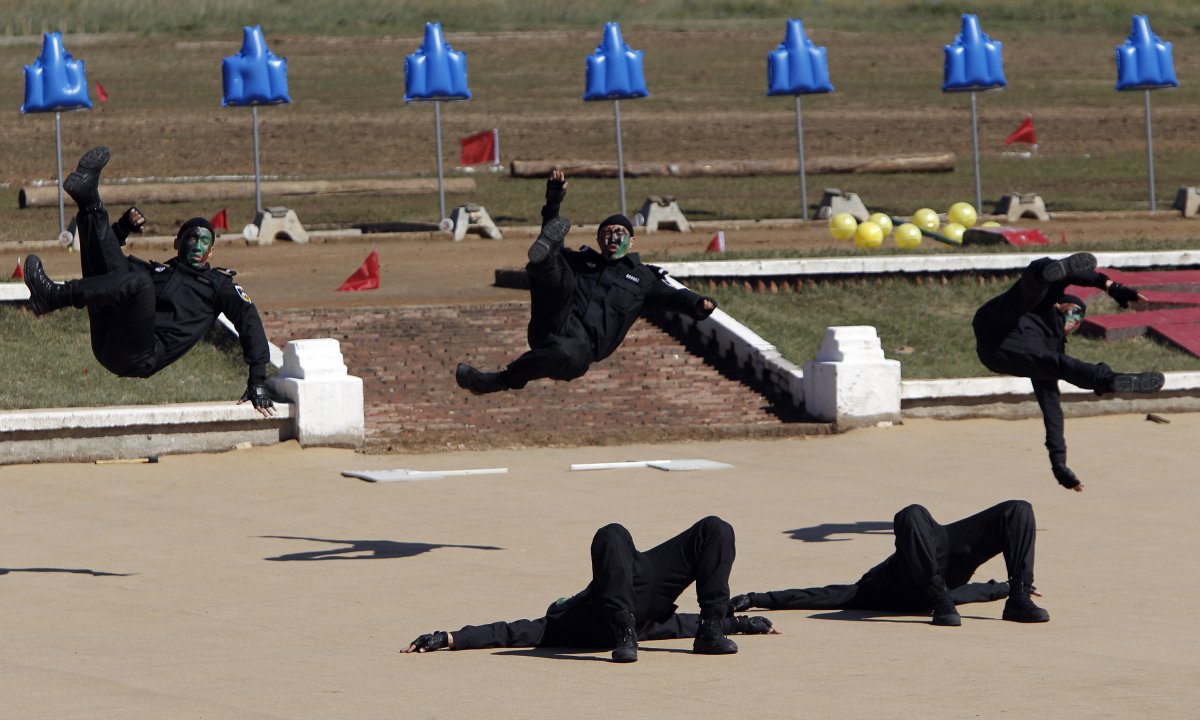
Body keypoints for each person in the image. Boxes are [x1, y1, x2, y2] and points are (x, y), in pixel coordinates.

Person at [22, 146, 274, 416]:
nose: (197, 246)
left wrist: (258, 378)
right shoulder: (158, 272)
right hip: (108, 338)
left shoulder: (217, 284)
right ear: (177, 243)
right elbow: (107, 262)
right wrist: (123, 228)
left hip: (140, 355)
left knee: (137, 282)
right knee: (126, 275)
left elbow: (248, 319)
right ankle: (89, 199)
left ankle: (55, 296)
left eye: (204, 242)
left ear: (211, 251)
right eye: (191, 238)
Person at [455, 170, 718, 395]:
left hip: (580, 350)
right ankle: (543, 257)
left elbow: (673, 296)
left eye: (620, 233)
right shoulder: (583, 261)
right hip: (550, 325)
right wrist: (554, 200)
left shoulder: (643, 278)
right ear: (599, 239)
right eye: (606, 233)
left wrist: (698, 303)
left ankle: (494, 381)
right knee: (558, 265)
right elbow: (554, 245)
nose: (613, 237)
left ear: (632, 241)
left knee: (563, 351)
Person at [403, 516, 779, 662]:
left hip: (640, 586)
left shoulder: (639, 619)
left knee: (714, 528)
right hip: (621, 613)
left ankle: (710, 635)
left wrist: (729, 623)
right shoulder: (558, 624)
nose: (563, 600)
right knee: (612, 533)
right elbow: (507, 632)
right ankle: (624, 629)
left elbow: (682, 624)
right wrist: (448, 637)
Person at [972, 252, 1163, 491]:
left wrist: (1058, 463)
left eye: (1075, 320)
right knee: (1031, 290)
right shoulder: (1047, 303)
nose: (1070, 322)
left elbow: (1052, 410)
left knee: (1057, 365)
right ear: (1061, 305)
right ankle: (1049, 270)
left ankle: (1112, 380)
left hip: (1002, 353)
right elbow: (1072, 275)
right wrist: (1112, 286)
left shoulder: (1052, 344)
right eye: (1071, 313)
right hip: (997, 320)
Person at [732, 500, 1049, 627]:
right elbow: (972, 592)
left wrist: (759, 598)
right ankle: (1015, 596)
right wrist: (1003, 588)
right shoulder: (878, 594)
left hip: (935, 556)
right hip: (943, 582)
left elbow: (820, 595)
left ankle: (1018, 603)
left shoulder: (867, 590)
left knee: (1018, 510)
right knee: (913, 513)